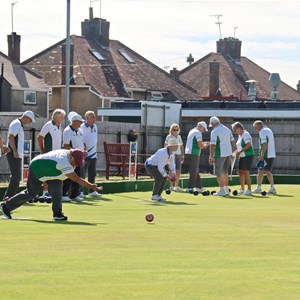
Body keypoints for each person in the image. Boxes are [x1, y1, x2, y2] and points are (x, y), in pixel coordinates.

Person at [0, 149, 103, 221]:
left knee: (57, 188)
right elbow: (76, 179)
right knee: (31, 193)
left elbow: (75, 152)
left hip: (52, 171)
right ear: (71, 157)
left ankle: (57, 213)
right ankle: (6, 207)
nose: (76, 164)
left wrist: (81, 152)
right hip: (37, 168)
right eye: (75, 162)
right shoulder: (63, 162)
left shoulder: (70, 154)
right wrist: (92, 187)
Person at [3, 111, 35, 200]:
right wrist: (15, 151)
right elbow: (11, 137)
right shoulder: (17, 123)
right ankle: (9, 196)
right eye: (30, 120)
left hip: (15, 153)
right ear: (26, 117)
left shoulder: (19, 124)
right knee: (16, 176)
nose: (30, 122)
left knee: (16, 176)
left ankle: (10, 195)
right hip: (14, 153)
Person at [37, 109, 66, 200]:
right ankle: (45, 193)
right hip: (49, 154)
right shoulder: (48, 125)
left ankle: (55, 194)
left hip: (58, 155)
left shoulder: (59, 126)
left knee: (57, 173)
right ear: (56, 117)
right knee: (47, 173)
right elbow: (39, 138)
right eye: (61, 117)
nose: (62, 119)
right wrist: (42, 151)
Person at [209, 116, 235, 197]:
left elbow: (212, 144)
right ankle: (226, 189)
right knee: (225, 171)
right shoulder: (227, 129)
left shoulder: (214, 131)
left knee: (218, 172)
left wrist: (211, 156)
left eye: (211, 124)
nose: (212, 126)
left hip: (219, 153)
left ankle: (222, 190)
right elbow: (233, 142)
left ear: (213, 123)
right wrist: (231, 152)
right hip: (228, 153)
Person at [62, 113, 85, 202]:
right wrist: (75, 153)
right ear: (74, 121)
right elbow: (66, 145)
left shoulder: (78, 131)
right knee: (69, 176)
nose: (80, 124)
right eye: (79, 122)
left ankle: (75, 194)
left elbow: (80, 144)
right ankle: (64, 194)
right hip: (71, 158)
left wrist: (82, 152)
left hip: (79, 157)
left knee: (78, 175)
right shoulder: (67, 131)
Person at [80, 111, 101, 198]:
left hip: (93, 154)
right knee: (82, 173)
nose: (94, 119)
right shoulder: (82, 127)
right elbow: (80, 139)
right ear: (87, 118)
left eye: (94, 117)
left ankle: (92, 191)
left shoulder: (95, 126)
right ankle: (80, 191)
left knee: (92, 173)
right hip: (85, 154)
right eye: (92, 117)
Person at [252, 120, 276, 194]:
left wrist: (262, 155)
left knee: (260, 171)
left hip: (265, 154)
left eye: (255, 127)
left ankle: (258, 188)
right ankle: (272, 188)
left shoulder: (262, 132)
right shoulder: (269, 130)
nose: (255, 129)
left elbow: (264, 144)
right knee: (268, 171)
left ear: (259, 125)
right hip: (271, 154)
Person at [185, 122, 210, 193]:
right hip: (194, 153)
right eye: (204, 129)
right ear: (201, 127)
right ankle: (189, 187)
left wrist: (204, 143)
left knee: (195, 170)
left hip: (189, 153)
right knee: (194, 170)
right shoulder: (198, 133)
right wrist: (207, 145)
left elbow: (197, 143)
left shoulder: (192, 131)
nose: (203, 131)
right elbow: (200, 146)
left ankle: (199, 187)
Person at [231, 122, 254, 196]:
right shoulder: (240, 135)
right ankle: (242, 189)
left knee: (246, 172)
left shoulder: (246, 134)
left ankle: (249, 190)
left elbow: (248, 145)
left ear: (239, 128)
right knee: (240, 172)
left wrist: (240, 151)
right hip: (242, 156)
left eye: (235, 130)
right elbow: (239, 147)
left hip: (248, 155)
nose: (234, 132)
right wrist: (235, 152)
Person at [164, 123, 184, 192]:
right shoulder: (168, 137)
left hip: (178, 154)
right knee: (171, 170)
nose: (175, 131)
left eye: (177, 129)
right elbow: (165, 146)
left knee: (178, 170)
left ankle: (176, 185)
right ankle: (171, 186)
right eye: (174, 129)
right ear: (171, 130)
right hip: (172, 155)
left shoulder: (179, 137)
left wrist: (182, 155)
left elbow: (181, 146)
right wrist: (167, 156)